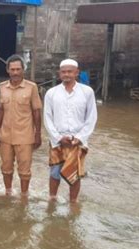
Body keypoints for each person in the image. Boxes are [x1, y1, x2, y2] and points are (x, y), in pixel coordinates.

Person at [43, 59, 97, 203]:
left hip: (77, 142)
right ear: (59, 73)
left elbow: (91, 118)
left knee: (75, 174)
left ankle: (73, 202)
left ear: (77, 72)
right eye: (64, 72)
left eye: (70, 71)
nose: (67, 74)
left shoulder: (87, 92)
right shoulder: (51, 93)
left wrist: (80, 137)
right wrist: (58, 137)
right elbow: (47, 118)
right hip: (57, 141)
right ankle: (52, 199)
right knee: (54, 172)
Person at [0, 55, 42, 196]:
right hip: (6, 136)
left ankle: (24, 196)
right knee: (6, 168)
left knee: (25, 170)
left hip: (25, 136)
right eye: (12, 69)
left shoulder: (31, 87)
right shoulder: (2, 87)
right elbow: (0, 111)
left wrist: (38, 134)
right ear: (8, 70)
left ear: (23, 70)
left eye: (18, 69)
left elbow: (36, 112)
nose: (15, 72)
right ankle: (8, 192)